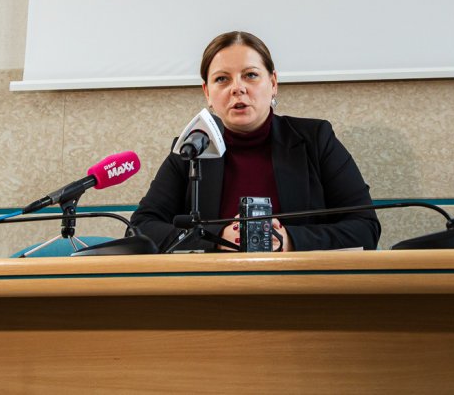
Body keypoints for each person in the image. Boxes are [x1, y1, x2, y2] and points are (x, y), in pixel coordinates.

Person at [130, 31, 381, 252]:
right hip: (214, 285)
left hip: (299, 283)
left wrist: (290, 240)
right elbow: (140, 228)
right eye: (222, 79)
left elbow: (365, 227)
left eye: (250, 75)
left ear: (273, 83)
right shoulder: (191, 148)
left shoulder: (316, 139)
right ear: (207, 93)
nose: (237, 88)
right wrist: (217, 238)